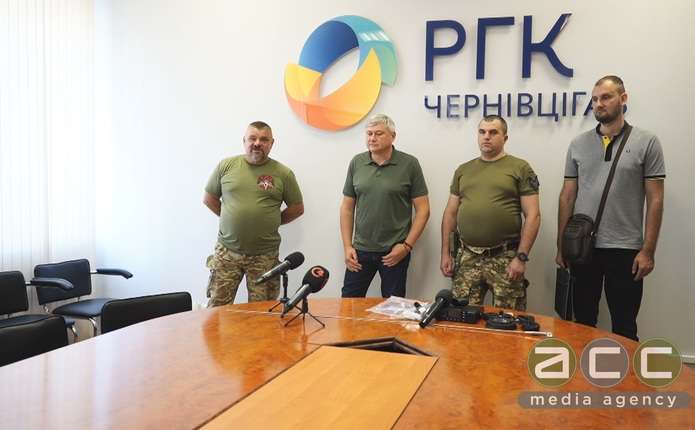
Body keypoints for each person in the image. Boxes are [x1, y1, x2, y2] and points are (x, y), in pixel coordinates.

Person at [557, 75, 665, 341]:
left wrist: (648, 250)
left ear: (623, 98)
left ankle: (625, 370)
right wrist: (561, 246)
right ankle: (583, 368)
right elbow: (567, 196)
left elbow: (655, 200)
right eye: (595, 99)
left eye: (606, 97)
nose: (599, 104)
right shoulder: (578, 144)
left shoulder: (646, 142)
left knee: (625, 327)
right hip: (583, 247)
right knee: (582, 323)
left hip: (626, 249)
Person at [440, 115, 540, 311]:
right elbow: (450, 214)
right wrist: (446, 253)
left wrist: (521, 257)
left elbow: (533, 215)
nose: (486, 136)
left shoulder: (520, 168)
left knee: (508, 320)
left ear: (505, 138)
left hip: (505, 257)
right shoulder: (463, 170)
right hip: (467, 257)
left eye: (493, 132)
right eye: (482, 132)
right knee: (462, 319)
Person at [204, 121, 304, 306]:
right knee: (217, 309)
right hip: (227, 253)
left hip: (264, 256)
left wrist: (271, 221)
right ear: (244, 141)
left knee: (262, 312)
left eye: (264, 139)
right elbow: (209, 199)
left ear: (272, 143)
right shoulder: (226, 166)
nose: (257, 143)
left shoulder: (283, 174)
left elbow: (297, 208)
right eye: (252, 138)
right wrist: (230, 217)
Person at [340, 114, 430, 298]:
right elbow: (347, 208)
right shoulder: (357, 162)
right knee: (349, 303)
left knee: (393, 307)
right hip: (360, 250)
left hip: (394, 252)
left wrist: (406, 246)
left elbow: (423, 210)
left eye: (378, 133)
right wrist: (347, 246)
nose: (372, 138)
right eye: (369, 133)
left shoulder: (409, 164)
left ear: (393, 136)